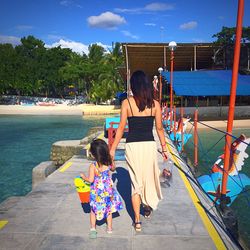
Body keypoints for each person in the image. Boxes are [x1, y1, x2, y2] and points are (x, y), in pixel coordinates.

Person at [110, 70, 168, 232]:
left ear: (133, 86)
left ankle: (137, 221)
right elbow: (160, 129)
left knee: (135, 183)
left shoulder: (126, 103)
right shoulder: (155, 104)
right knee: (149, 178)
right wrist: (164, 149)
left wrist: (113, 149)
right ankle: (147, 207)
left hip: (132, 147)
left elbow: (121, 129)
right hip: (149, 146)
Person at [80, 139, 123, 239]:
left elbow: (90, 180)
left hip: (97, 193)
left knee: (93, 210)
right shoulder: (108, 162)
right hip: (108, 191)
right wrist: (112, 161)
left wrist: (83, 177)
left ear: (94, 154)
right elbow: (113, 169)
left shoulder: (93, 166)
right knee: (108, 210)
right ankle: (109, 228)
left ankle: (93, 229)